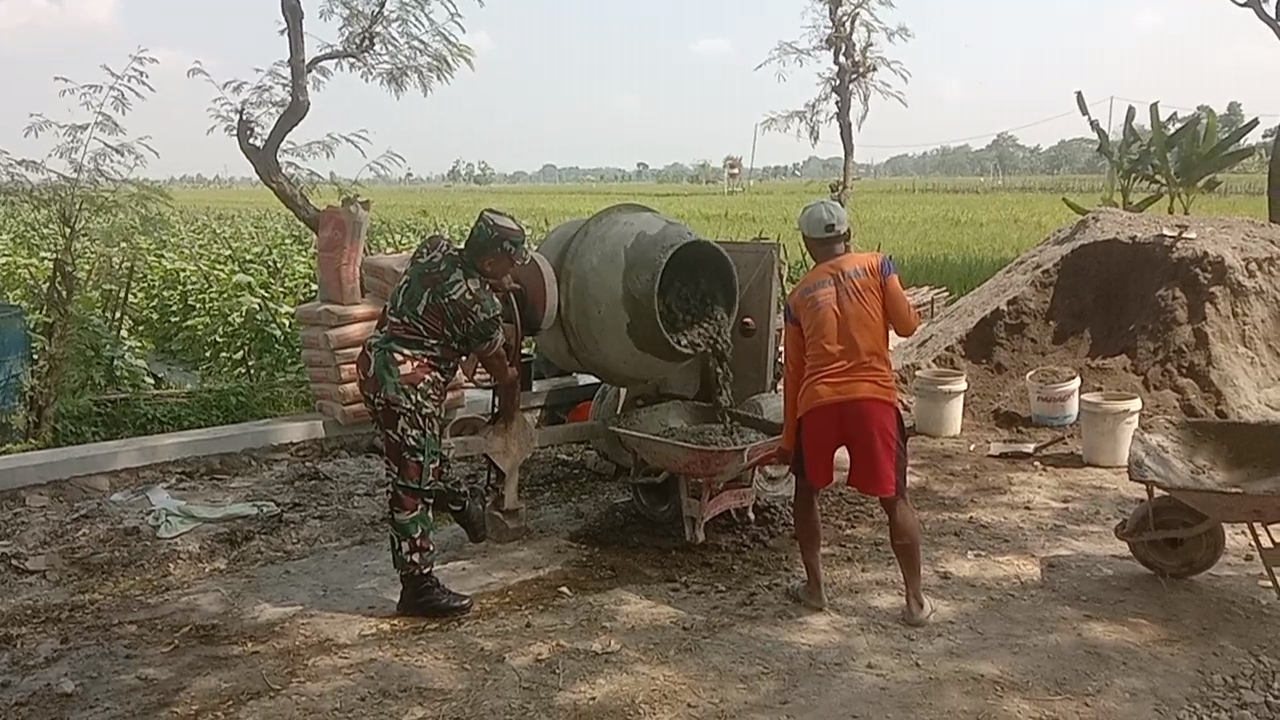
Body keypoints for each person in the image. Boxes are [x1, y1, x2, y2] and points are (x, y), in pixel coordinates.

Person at [357, 209, 527, 618]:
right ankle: (417, 587)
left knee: (419, 459)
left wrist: (490, 284)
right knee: (410, 486)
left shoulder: (434, 248)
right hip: (408, 386)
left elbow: (448, 290)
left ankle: (460, 502)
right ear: (489, 263)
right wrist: (511, 402)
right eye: (509, 263)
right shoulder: (479, 307)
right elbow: (501, 372)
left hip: (373, 367)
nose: (514, 271)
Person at [774, 198, 932, 626]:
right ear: (847, 233)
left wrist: (789, 441)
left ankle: (815, 589)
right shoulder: (880, 266)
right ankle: (915, 601)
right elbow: (907, 326)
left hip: (818, 400)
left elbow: (794, 372)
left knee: (806, 492)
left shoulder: (798, 296)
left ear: (808, 243)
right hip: (873, 399)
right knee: (894, 499)